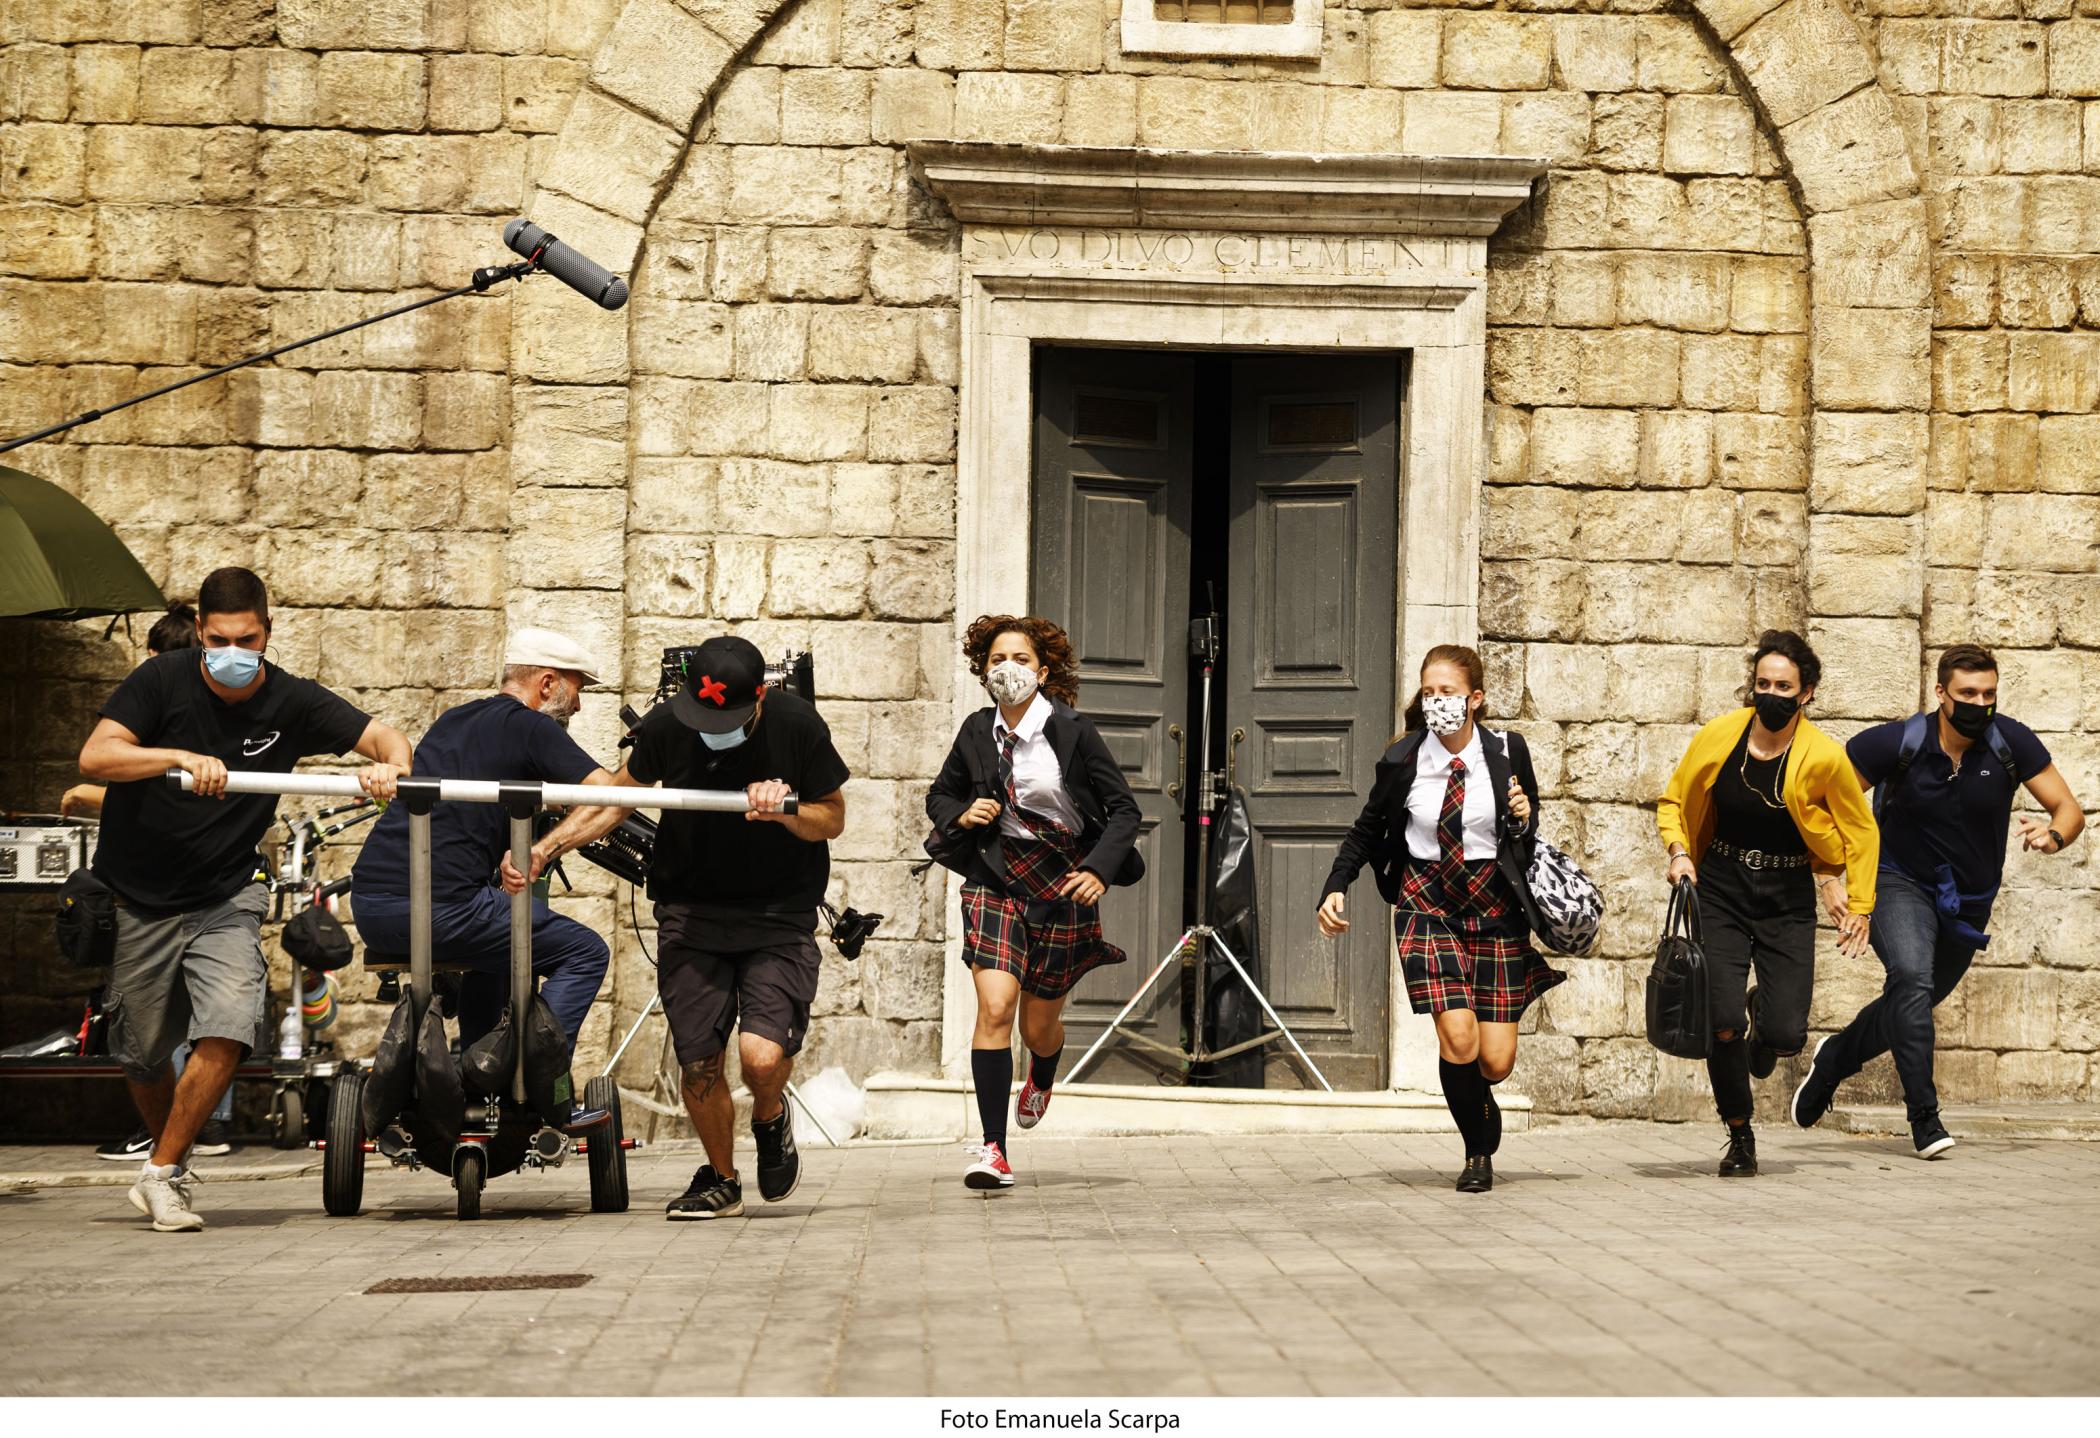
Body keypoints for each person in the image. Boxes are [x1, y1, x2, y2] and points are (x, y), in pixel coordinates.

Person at [76, 567, 410, 1231]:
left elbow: (386, 739)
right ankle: (172, 1154)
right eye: (220, 638)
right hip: (140, 897)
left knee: (230, 1024)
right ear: (200, 631)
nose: (233, 652)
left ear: (267, 633)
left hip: (228, 892)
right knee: (141, 1053)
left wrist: (389, 768)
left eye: (247, 639)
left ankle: (163, 1173)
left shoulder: (290, 702)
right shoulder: (159, 682)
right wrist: (174, 757)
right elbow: (96, 757)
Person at [506, 635, 848, 1220]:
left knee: (762, 1059)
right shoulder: (670, 723)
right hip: (690, 910)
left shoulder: (797, 725)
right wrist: (547, 847)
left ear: (759, 700)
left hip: (777, 914)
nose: (709, 727)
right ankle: (721, 1177)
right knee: (699, 1062)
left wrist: (785, 808)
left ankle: (770, 1117)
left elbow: (832, 819)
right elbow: (615, 800)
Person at [1793, 644, 2085, 1159]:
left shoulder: (2008, 742)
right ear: (1942, 693)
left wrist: (2054, 836)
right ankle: (1924, 1118)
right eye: (1968, 693)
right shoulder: (1896, 744)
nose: (1979, 703)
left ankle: (1835, 1057)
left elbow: (2067, 808)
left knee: (1913, 1003)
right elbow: (1820, 805)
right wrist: (1829, 875)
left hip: (1968, 902)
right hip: (1897, 881)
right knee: (1910, 978)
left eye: (1989, 693)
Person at [350, 626, 623, 1135]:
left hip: (373, 906)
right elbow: (607, 794)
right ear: (546, 684)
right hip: (445, 909)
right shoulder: (532, 727)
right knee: (586, 951)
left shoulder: (455, 719)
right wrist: (551, 844)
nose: (579, 706)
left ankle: (481, 1068)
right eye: (577, 688)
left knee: (495, 953)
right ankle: (528, 1075)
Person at [1318, 644, 1561, 1194]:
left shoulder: (1506, 750)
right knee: (1457, 1038)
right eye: (1429, 693)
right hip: (1427, 903)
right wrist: (1335, 886)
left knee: (1494, 1061)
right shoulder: (1404, 758)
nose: (1437, 703)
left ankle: (1481, 1096)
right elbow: (1366, 828)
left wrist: (1523, 817)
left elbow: (1524, 826)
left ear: (1475, 699)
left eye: (1448, 693)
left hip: (1495, 906)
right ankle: (1476, 1153)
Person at [925, 615, 1142, 1192]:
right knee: (995, 1008)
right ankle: (994, 1148)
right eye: (998, 659)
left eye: (1021, 659)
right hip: (996, 877)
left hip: (1064, 881)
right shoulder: (976, 731)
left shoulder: (1073, 731)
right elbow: (941, 793)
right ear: (984, 670)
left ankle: (1042, 1071)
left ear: (1042, 672)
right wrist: (960, 814)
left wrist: (1099, 868)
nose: (1009, 669)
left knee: (1038, 1025)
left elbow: (1125, 811)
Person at [1657, 629, 1877, 1179]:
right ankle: (1740, 1134)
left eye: (1784, 686)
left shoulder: (1824, 756)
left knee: (1784, 1034)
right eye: (1763, 683)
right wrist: (1680, 853)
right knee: (1721, 1021)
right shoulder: (1720, 736)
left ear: (1805, 694)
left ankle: (1764, 1020)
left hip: (1786, 894)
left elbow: (1860, 831)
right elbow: (1675, 799)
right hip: (1723, 885)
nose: (1771, 694)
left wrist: (1860, 904)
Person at [64, 604, 237, 1162]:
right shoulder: (154, 714)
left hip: (208, 891)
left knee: (220, 1017)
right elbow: (105, 764)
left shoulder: (200, 714)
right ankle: (176, 1147)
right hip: (144, 894)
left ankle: (180, 1146)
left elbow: (125, 789)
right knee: (147, 1037)